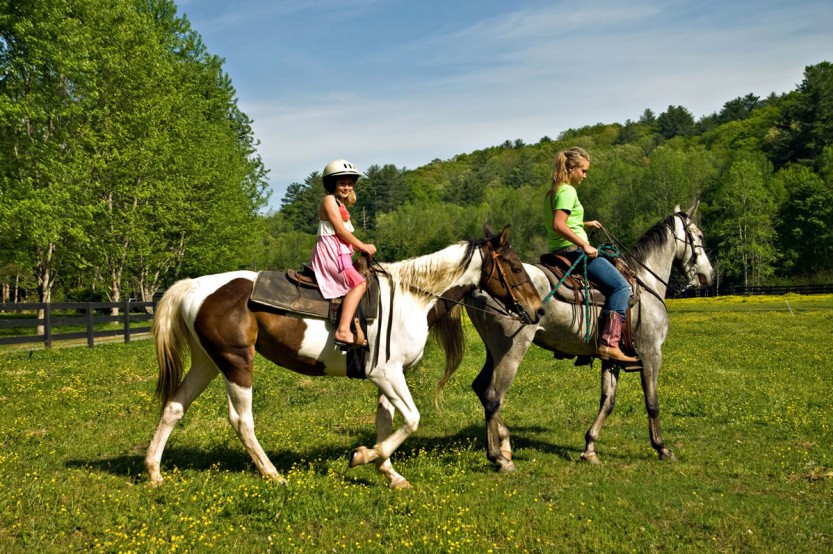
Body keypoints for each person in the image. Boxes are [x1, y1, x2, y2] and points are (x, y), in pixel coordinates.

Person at [543, 147, 637, 363]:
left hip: (556, 251)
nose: (585, 176)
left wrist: (585, 224)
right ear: (571, 168)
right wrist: (584, 244)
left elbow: (561, 222)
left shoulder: (553, 192)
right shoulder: (568, 191)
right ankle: (610, 343)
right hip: (573, 251)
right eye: (583, 171)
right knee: (622, 286)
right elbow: (559, 225)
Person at [311, 159, 377, 348]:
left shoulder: (341, 204)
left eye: (349, 183)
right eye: (342, 183)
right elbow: (340, 231)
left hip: (341, 253)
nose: (347, 187)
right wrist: (362, 246)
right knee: (359, 284)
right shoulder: (329, 200)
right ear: (332, 184)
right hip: (331, 253)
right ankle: (343, 330)